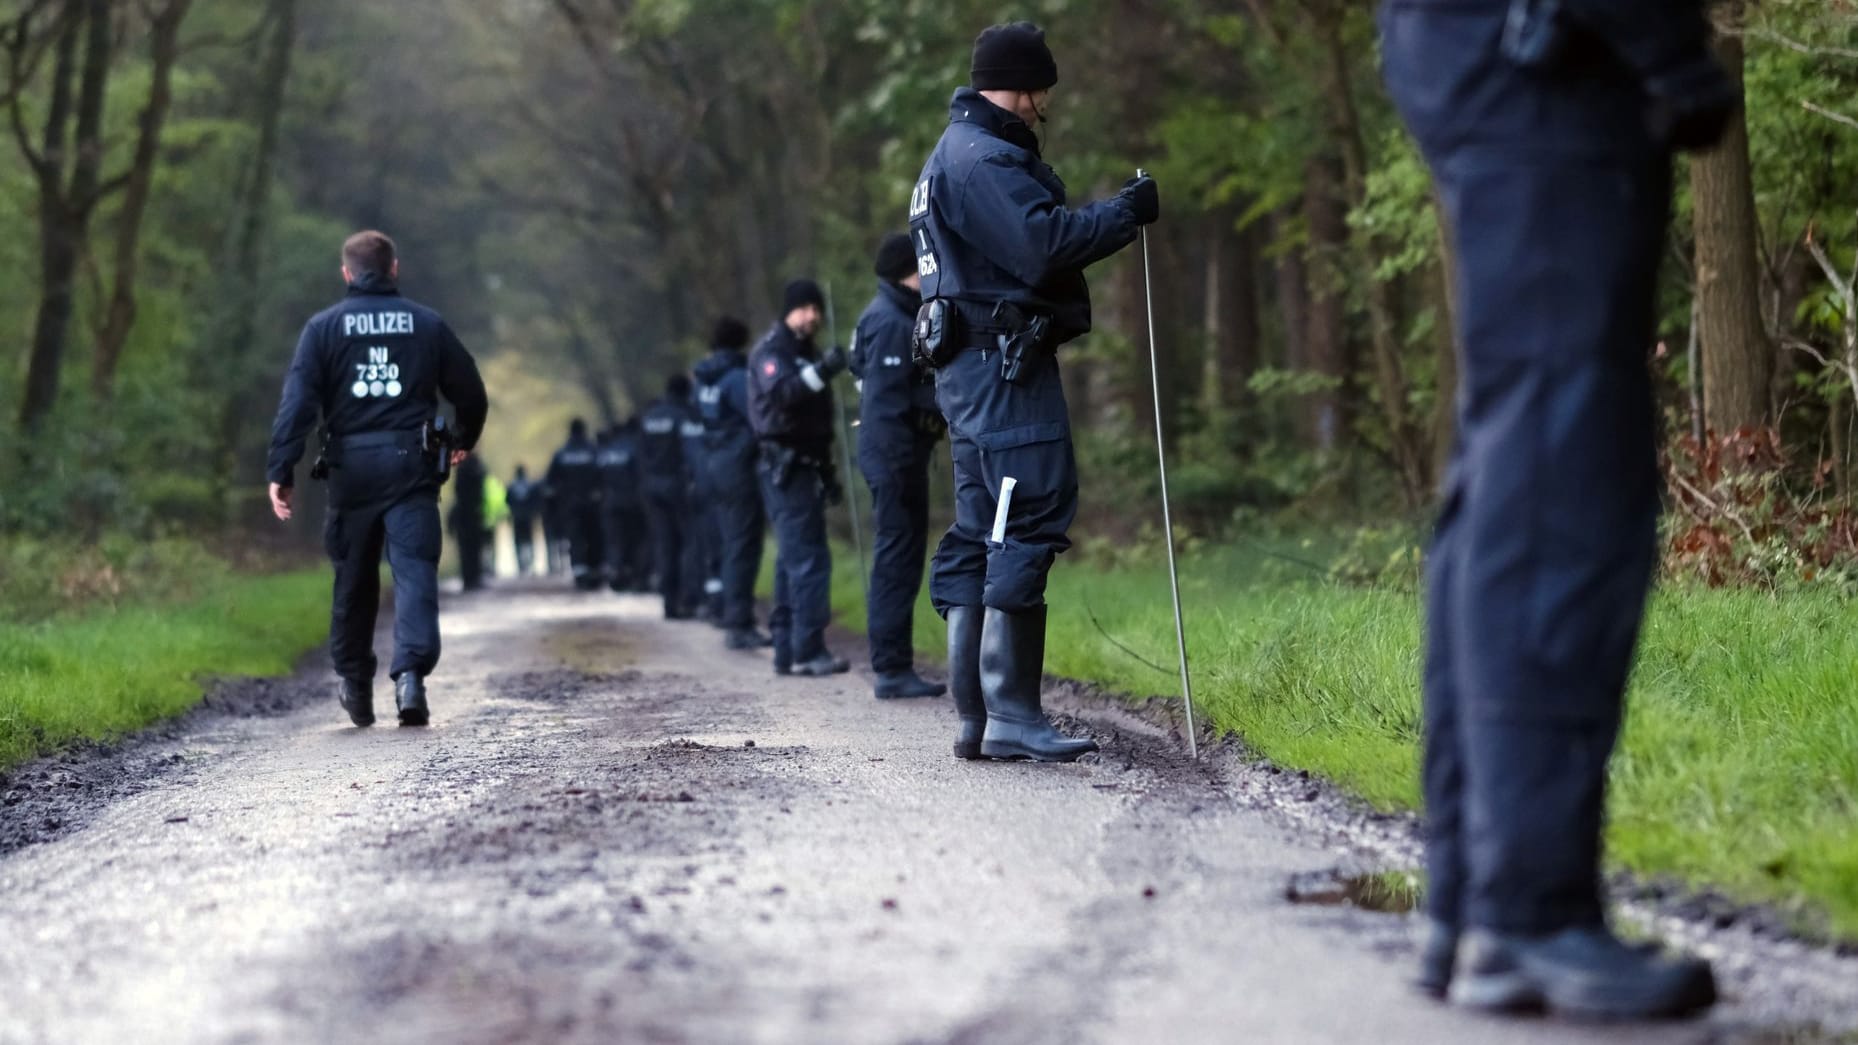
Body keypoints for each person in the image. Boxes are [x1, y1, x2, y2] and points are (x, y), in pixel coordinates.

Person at [1379, 0, 1735, 1019]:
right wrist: (1668, 48)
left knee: (1517, 465)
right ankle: (1523, 909)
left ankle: (1472, 898)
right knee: (1555, 482)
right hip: (1540, 63)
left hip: (1502, 57)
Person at [909, 23, 1157, 761]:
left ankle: (975, 714)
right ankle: (1009, 711)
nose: (1043, 105)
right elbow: (1043, 244)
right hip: (1003, 374)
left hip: (972, 374)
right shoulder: (982, 158)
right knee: (1027, 512)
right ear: (1021, 87)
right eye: (1041, 91)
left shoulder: (946, 156)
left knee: (984, 523)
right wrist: (1125, 214)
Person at [265, 229, 488, 728]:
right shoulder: (426, 324)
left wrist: (282, 468)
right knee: (413, 571)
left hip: (351, 470)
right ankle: (410, 679)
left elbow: (298, 404)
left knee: (354, 575)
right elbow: (470, 390)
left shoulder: (322, 329)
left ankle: (356, 686)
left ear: (347, 273)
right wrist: (462, 437)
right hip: (411, 466)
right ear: (393, 269)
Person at [851, 233, 947, 700]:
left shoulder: (883, 313)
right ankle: (891, 668)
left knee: (902, 555)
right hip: (895, 457)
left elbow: (856, 368)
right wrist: (949, 398)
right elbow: (891, 400)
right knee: (897, 559)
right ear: (911, 269)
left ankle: (894, 665)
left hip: (898, 455)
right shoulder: (891, 321)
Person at [748, 279, 853, 676]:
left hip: (805, 464)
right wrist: (824, 369)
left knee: (792, 559)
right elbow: (784, 395)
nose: (815, 316)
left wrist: (827, 469)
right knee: (808, 560)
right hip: (786, 468)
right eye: (808, 308)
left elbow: (814, 417)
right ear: (792, 309)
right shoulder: (772, 352)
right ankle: (807, 649)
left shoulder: (800, 350)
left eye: (817, 309)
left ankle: (787, 648)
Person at [694, 317, 773, 650]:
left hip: (714, 466)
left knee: (730, 542)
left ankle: (733, 615)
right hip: (739, 468)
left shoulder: (704, 381)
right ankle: (739, 623)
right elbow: (759, 416)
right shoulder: (737, 379)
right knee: (743, 545)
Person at [641, 374, 698, 619]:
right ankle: (687, 598)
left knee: (665, 545)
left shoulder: (650, 417)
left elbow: (640, 454)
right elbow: (693, 454)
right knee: (688, 543)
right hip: (679, 487)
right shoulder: (684, 415)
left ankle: (668, 602)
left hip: (653, 487)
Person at [547, 418, 603, 590]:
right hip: (592, 503)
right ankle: (594, 571)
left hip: (569, 504)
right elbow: (603, 475)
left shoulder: (562, 453)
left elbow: (551, 482)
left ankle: (580, 572)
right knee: (593, 537)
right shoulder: (593, 450)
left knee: (575, 538)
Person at [598, 418, 649, 592]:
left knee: (615, 541)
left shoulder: (606, 452)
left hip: (610, 502)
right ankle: (638, 576)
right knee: (637, 539)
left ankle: (617, 573)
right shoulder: (636, 448)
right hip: (633, 502)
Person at [448, 454, 487, 592]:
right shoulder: (474, 468)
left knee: (469, 550)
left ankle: (470, 578)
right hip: (470, 516)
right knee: (471, 549)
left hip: (469, 516)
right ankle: (471, 578)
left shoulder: (466, 468)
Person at [507, 464, 542, 576]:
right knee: (529, 541)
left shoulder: (511, 486)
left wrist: (510, 515)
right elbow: (536, 501)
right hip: (528, 517)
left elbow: (507, 502)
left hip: (517, 517)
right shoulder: (530, 486)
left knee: (518, 542)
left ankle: (521, 566)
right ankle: (530, 564)